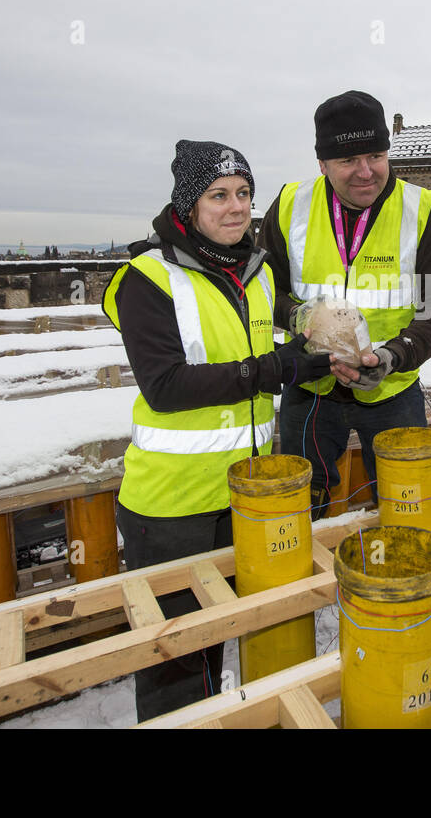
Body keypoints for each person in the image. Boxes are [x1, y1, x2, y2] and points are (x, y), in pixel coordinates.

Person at [102, 140, 331, 722]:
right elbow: (166, 385)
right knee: (177, 659)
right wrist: (273, 370)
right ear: (188, 204)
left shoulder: (252, 272)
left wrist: (311, 353)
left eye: (245, 194)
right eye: (218, 195)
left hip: (248, 495)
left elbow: (249, 355)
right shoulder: (146, 278)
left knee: (245, 631)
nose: (236, 208)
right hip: (173, 508)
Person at [258, 90, 431, 516]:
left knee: (406, 504)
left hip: (392, 388)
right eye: (348, 160)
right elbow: (262, 291)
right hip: (311, 386)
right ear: (322, 164)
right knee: (298, 506)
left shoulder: (422, 212)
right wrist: (297, 316)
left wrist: (394, 355)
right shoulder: (291, 207)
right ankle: (301, 579)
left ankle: (401, 577)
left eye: (375, 154)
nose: (365, 172)